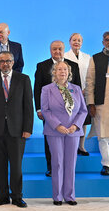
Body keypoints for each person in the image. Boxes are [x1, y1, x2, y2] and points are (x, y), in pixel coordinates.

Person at [0, 51, 33, 208]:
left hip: (17, 130)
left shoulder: (23, 79)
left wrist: (27, 128)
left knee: (16, 166)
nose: (5, 64)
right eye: (2, 61)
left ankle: (17, 197)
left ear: (13, 62)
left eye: (8, 61)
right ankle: (2, 196)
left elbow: (28, 106)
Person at [40, 61, 88, 206]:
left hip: (73, 131)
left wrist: (75, 125)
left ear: (69, 72)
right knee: (58, 163)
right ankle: (57, 196)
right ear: (54, 72)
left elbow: (83, 111)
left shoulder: (76, 89)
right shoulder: (47, 89)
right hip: (54, 131)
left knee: (71, 164)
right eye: (59, 69)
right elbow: (45, 110)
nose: (62, 72)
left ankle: (70, 196)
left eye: (65, 69)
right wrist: (58, 125)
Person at [33, 41, 81, 177]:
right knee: (50, 141)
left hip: (70, 113)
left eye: (60, 49)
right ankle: (51, 167)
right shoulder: (42, 66)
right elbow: (37, 89)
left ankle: (68, 168)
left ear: (64, 50)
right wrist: (39, 109)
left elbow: (78, 88)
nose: (57, 51)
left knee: (70, 141)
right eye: (54, 49)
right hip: (50, 112)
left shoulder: (73, 66)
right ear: (50, 50)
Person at [84, 32, 109, 175]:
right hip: (101, 103)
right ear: (103, 42)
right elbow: (89, 82)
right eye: (107, 40)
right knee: (103, 136)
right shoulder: (95, 58)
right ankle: (105, 164)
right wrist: (90, 103)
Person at [64, 33, 92, 156]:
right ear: (70, 42)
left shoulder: (87, 57)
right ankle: (71, 146)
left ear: (82, 43)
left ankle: (81, 146)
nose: (76, 42)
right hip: (68, 92)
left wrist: (85, 89)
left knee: (83, 119)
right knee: (70, 119)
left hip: (84, 91)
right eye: (74, 40)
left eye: (79, 40)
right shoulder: (64, 56)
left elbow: (90, 75)